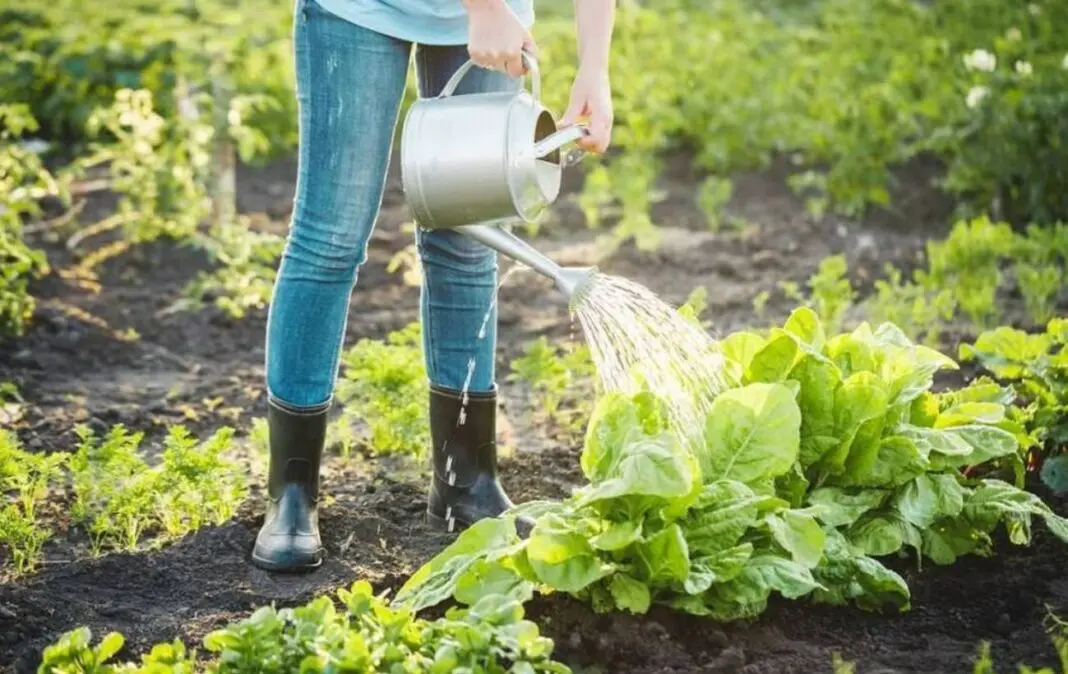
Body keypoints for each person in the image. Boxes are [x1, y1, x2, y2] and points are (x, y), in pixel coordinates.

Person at [251, 0, 615, 572]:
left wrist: (595, 67)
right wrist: (486, 8)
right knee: (331, 236)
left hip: (488, 17)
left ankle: (466, 479)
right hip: (362, 11)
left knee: (469, 235)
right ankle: (291, 494)